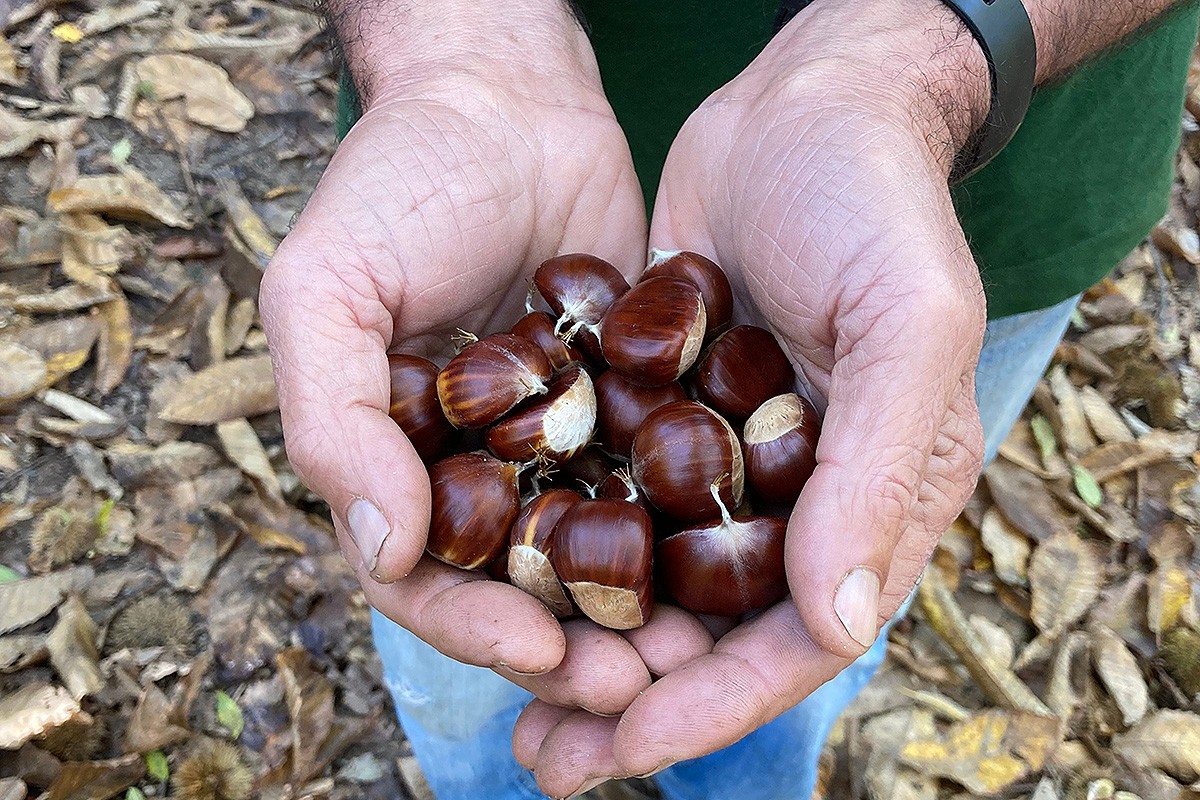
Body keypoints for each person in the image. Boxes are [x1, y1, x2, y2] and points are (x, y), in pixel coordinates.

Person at [259, 0, 1199, 797]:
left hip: (941, 212)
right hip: (475, 230)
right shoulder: (608, 381)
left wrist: (921, 56)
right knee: (471, 685)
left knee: (826, 591)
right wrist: (451, 48)